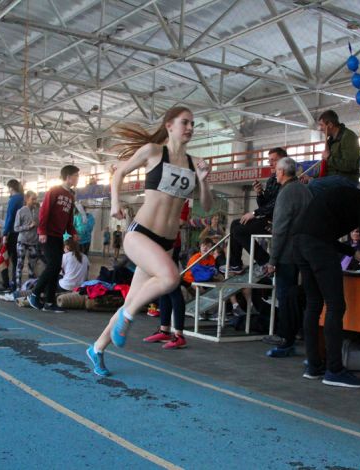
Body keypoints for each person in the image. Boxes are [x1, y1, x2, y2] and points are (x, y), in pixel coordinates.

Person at [86, 106, 212, 377]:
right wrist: (115, 203)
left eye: (193, 124)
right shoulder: (153, 151)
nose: (190, 128)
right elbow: (119, 173)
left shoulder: (195, 163)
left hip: (165, 243)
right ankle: (128, 316)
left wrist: (203, 182)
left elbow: (206, 205)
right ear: (169, 125)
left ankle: (97, 348)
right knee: (170, 278)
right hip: (140, 234)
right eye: (185, 122)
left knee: (132, 300)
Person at [296, 181, 360, 388]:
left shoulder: (346, 196)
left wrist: (352, 252)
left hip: (300, 243)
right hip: (319, 247)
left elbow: (323, 233)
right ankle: (335, 370)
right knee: (336, 306)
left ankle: (314, 366)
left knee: (313, 304)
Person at [263, 157, 313, 357]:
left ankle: (285, 340)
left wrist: (272, 260)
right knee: (301, 297)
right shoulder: (305, 190)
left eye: (276, 169)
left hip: (287, 254)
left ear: (282, 172)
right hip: (305, 251)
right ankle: (298, 334)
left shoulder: (286, 193)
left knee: (284, 297)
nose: (275, 173)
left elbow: (280, 228)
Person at [146, 238, 216, 350]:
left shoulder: (210, 258)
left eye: (208, 246)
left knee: (173, 289)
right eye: (204, 245)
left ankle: (179, 336)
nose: (205, 248)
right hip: (162, 248)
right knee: (164, 288)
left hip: (169, 246)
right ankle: (164, 331)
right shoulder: (196, 257)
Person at [224, 147, 284, 276]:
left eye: (274, 160)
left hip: (276, 222)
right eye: (269, 160)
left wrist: (254, 213)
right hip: (267, 217)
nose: (270, 163)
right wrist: (259, 193)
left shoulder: (286, 179)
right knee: (235, 224)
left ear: (283, 160)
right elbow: (265, 204)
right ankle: (235, 264)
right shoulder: (272, 179)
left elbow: (276, 204)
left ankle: (265, 261)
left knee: (239, 230)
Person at [28, 165, 80, 313]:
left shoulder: (70, 196)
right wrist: (42, 231)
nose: (78, 178)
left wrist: (72, 232)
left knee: (56, 268)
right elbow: (44, 212)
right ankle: (34, 293)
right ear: (68, 177)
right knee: (53, 264)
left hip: (58, 236)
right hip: (48, 235)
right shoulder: (54, 191)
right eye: (76, 175)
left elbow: (69, 218)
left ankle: (49, 302)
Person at [309, 110, 360, 191]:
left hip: (347, 179)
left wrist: (329, 157)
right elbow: (328, 169)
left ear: (330, 125)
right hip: (333, 177)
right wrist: (311, 177)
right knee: (306, 185)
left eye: (322, 125)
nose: (320, 129)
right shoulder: (330, 140)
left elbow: (349, 165)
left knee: (314, 184)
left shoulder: (348, 137)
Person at [4, 191, 40, 301]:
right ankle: (18, 289)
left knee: (32, 267)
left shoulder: (38, 211)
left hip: (34, 241)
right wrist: (28, 226)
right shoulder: (21, 211)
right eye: (33, 199)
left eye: (36, 199)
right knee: (19, 265)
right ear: (27, 199)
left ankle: (31, 290)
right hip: (22, 241)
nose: (35, 201)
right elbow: (16, 228)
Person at [2, 179, 25, 292]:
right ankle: (15, 284)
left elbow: (10, 217)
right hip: (22, 233)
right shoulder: (23, 198)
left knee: (6, 258)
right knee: (17, 260)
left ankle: (9, 284)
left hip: (13, 233)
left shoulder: (14, 200)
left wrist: (5, 233)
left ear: (10, 188)